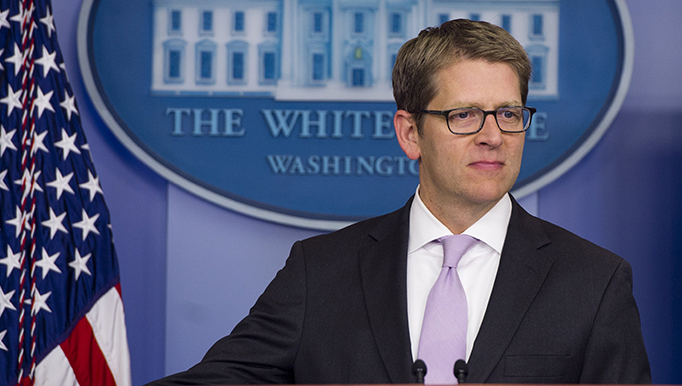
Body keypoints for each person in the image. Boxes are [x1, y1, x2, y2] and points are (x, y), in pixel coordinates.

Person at [149, 19, 651, 385]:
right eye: (465, 115)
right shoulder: (320, 272)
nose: (493, 136)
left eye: (509, 114)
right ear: (411, 133)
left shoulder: (595, 281)